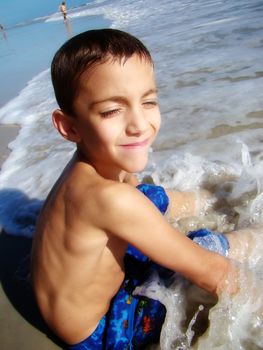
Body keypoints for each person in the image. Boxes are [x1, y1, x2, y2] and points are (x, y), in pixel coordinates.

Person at [31, 29, 254, 349]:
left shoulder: (88, 169)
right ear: (69, 126)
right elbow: (211, 272)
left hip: (64, 305)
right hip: (100, 331)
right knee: (201, 251)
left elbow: (134, 197)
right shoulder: (111, 200)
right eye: (111, 110)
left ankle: (210, 200)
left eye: (148, 101)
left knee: (147, 200)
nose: (139, 123)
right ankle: (248, 237)